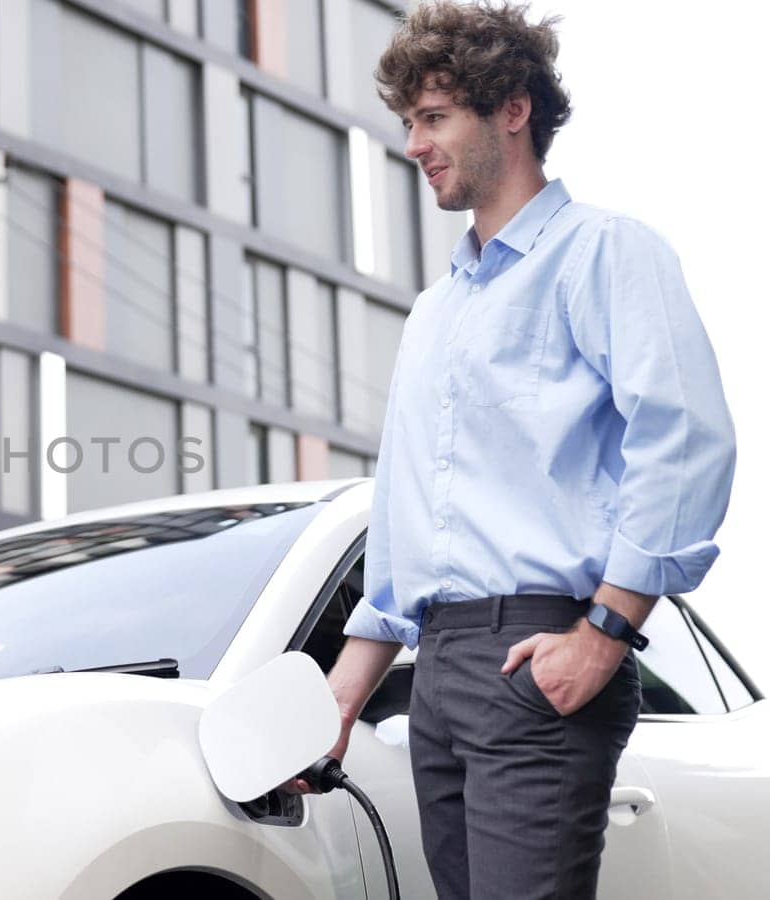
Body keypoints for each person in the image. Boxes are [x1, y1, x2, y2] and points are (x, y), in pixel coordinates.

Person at [288, 3, 736, 898]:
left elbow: (683, 440)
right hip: (435, 677)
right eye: (408, 122)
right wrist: (342, 695)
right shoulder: (433, 313)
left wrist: (606, 633)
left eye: (433, 116)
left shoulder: (603, 252)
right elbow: (404, 517)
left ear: (513, 110)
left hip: (542, 648)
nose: (413, 144)